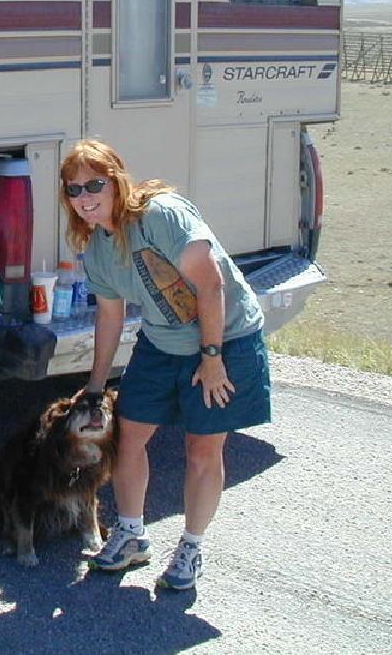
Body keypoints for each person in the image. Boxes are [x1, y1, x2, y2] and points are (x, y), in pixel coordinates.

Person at [62, 139, 270, 590]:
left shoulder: (161, 216)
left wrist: (212, 360)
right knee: (128, 437)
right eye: (74, 190)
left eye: (94, 184)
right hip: (162, 342)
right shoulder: (98, 248)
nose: (85, 197)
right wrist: (95, 387)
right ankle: (132, 535)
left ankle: (191, 548)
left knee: (202, 447)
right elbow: (110, 316)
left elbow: (211, 287)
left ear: (116, 181)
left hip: (225, 337)